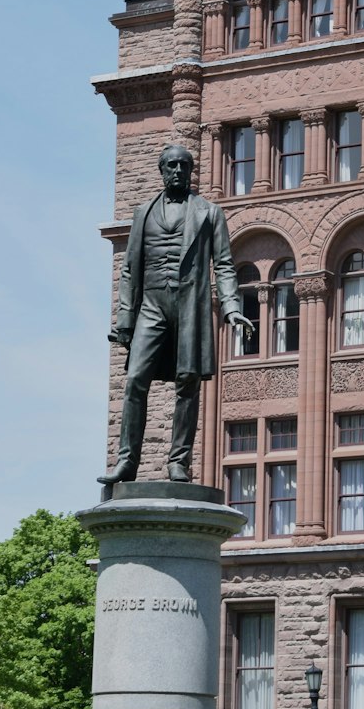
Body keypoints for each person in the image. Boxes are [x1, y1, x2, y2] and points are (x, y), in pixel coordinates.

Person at [98, 143, 252, 485]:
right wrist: (125, 322)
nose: (179, 170)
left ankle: (178, 461)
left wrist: (231, 308)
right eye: (172, 165)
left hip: (189, 307)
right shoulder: (142, 213)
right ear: (162, 170)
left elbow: (224, 265)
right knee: (136, 378)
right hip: (152, 305)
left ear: (191, 170)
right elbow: (130, 270)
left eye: (184, 165)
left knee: (188, 382)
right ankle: (127, 461)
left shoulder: (209, 213)